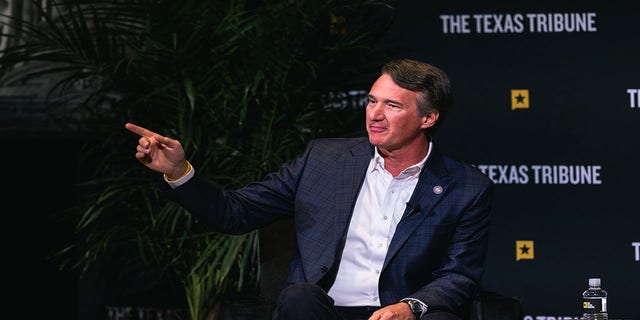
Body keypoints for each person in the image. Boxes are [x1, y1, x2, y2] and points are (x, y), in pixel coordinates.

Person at [125, 58, 493, 320]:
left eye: (392, 105)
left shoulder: (466, 186)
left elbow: (459, 276)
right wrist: (179, 172)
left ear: (428, 118)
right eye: (371, 100)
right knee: (298, 298)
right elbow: (233, 212)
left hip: (398, 313)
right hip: (321, 310)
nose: (374, 114)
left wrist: (410, 308)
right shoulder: (324, 160)